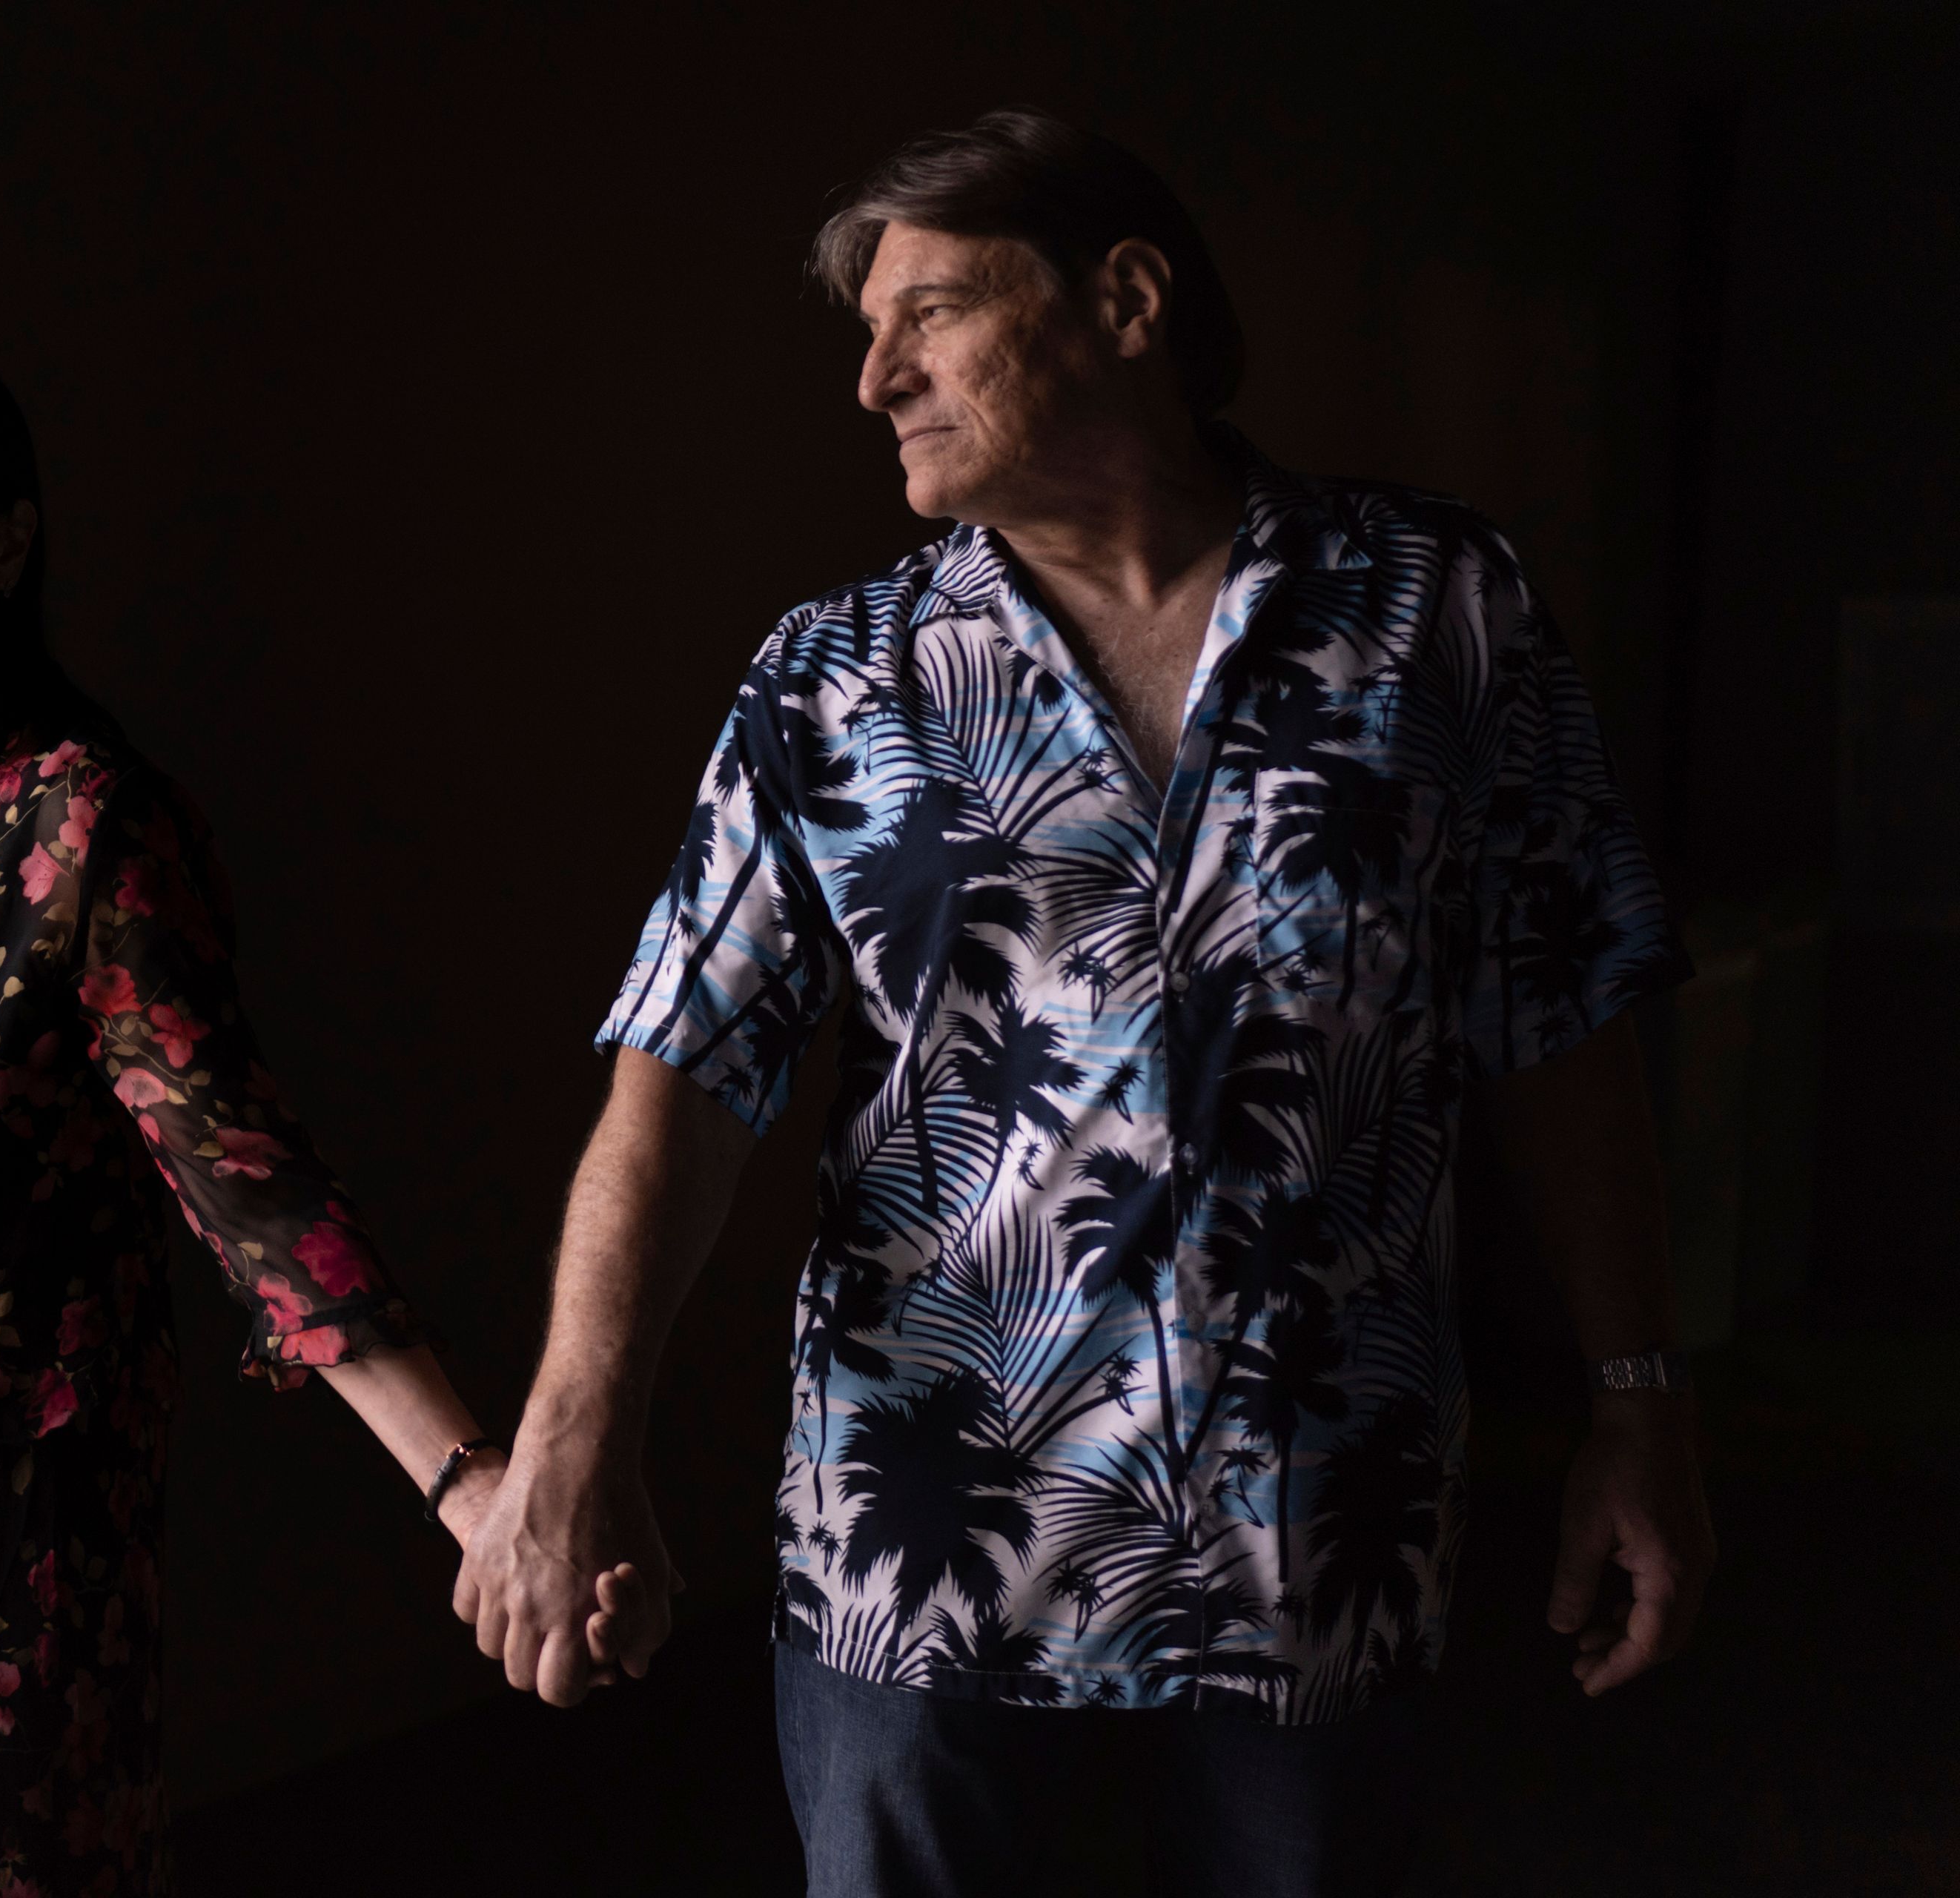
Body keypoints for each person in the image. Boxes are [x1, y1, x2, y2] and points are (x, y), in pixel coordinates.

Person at [454, 110, 1717, 1895]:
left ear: (1127, 299)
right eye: (867, 335)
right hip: (924, 1556)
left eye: (933, 314)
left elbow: (1562, 1017)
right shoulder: (832, 678)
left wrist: (1640, 1400)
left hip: (1320, 1541)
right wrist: (574, 1437)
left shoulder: (1438, 609)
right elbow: (681, 1070)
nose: (878, 377)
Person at [0, 332, 505, 1897]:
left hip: (2, 1572)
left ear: (8, 538)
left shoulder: (83, 825)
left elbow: (250, 1179)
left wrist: (466, 1480)